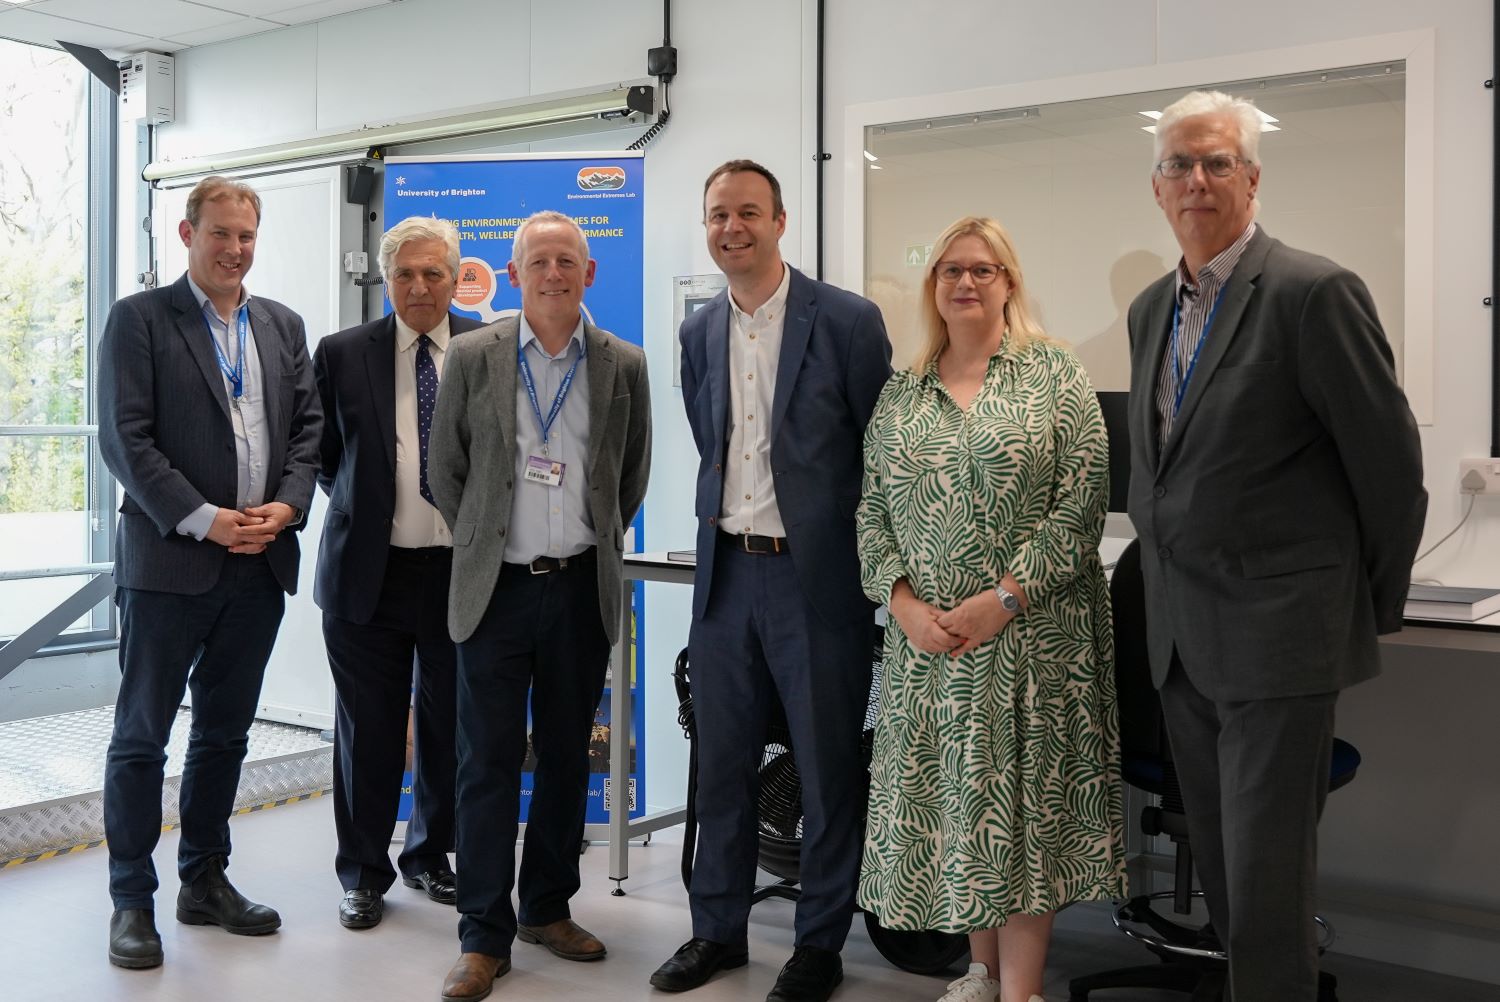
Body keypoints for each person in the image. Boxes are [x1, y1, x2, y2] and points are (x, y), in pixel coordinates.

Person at [1127, 90, 1427, 1002]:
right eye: (1180, 164)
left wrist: (1350, 615)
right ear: (1157, 187)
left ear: (1253, 178)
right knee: (1225, 879)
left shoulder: (1311, 292)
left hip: (1278, 637)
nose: (1198, 180)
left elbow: (1390, 471)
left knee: (1266, 885)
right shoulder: (1152, 309)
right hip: (1182, 638)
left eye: (1218, 162)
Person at [856, 216, 1127, 1002]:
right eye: (949, 270)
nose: (965, 283)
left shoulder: (1054, 373)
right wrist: (902, 603)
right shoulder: (904, 390)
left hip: (1033, 639)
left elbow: (1083, 502)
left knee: (1021, 816)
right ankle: (979, 974)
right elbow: (871, 511)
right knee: (959, 808)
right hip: (930, 646)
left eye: (983, 269)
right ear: (932, 286)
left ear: (1010, 282)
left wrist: (1002, 600)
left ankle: (1022, 991)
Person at [652, 160, 891, 1002]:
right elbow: (709, 442)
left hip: (815, 585)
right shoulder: (696, 333)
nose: (732, 228)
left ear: (781, 221)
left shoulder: (850, 322)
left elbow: (877, 455)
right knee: (722, 769)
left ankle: (817, 945)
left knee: (827, 771)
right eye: (718, 214)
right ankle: (715, 931)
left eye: (748, 212)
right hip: (725, 582)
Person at [96, 176, 321, 969]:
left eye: (247, 237)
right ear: (188, 233)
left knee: (224, 734)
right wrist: (206, 518)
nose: (234, 249)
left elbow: (308, 434)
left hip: (258, 566)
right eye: (220, 233)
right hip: (169, 564)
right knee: (141, 739)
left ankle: (204, 880)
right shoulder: (140, 320)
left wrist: (285, 510)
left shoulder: (283, 326)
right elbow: (126, 440)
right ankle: (131, 900)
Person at [428, 210, 651, 1002]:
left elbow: (629, 478)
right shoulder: (472, 355)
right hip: (495, 591)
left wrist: (589, 540)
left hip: (580, 587)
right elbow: (444, 469)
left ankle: (547, 909)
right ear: (516, 274)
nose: (553, 273)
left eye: (567, 260)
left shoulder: (624, 363)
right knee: (485, 765)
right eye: (539, 261)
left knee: (565, 758)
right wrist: (487, 538)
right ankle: (483, 937)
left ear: (589, 274)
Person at [312, 215, 482, 930]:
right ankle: (362, 874)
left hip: (459, 573)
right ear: (387, 280)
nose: (419, 287)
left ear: (454, 278)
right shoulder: (343, 352)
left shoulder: (488, 345)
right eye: (405, 274)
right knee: (368, 729)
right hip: (367, 575)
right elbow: (321, 457)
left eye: (432, 273)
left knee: (448, 725)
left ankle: (429, 856)